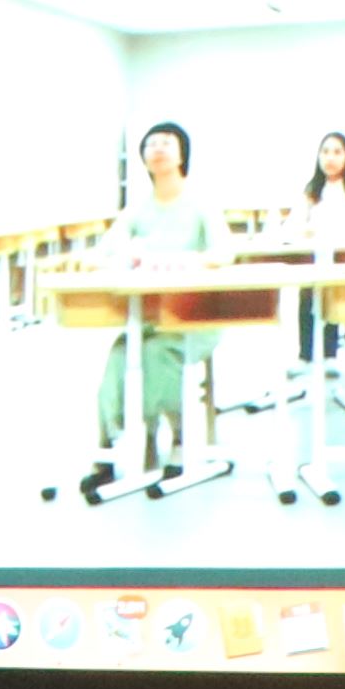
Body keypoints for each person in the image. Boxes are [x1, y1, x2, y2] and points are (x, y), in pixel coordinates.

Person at [78, 124, 216, 499]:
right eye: (151, 144)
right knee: (118, 359)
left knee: (157, 356)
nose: (157, 148)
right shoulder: (138, 209)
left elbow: (224, 253)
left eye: (166, 143)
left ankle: (180, 442)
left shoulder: (200, 205)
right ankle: (106, 454)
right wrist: (96, 261)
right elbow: (107, 248)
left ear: (182, 154)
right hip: (148, 319)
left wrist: (188, 262)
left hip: (193, 320)